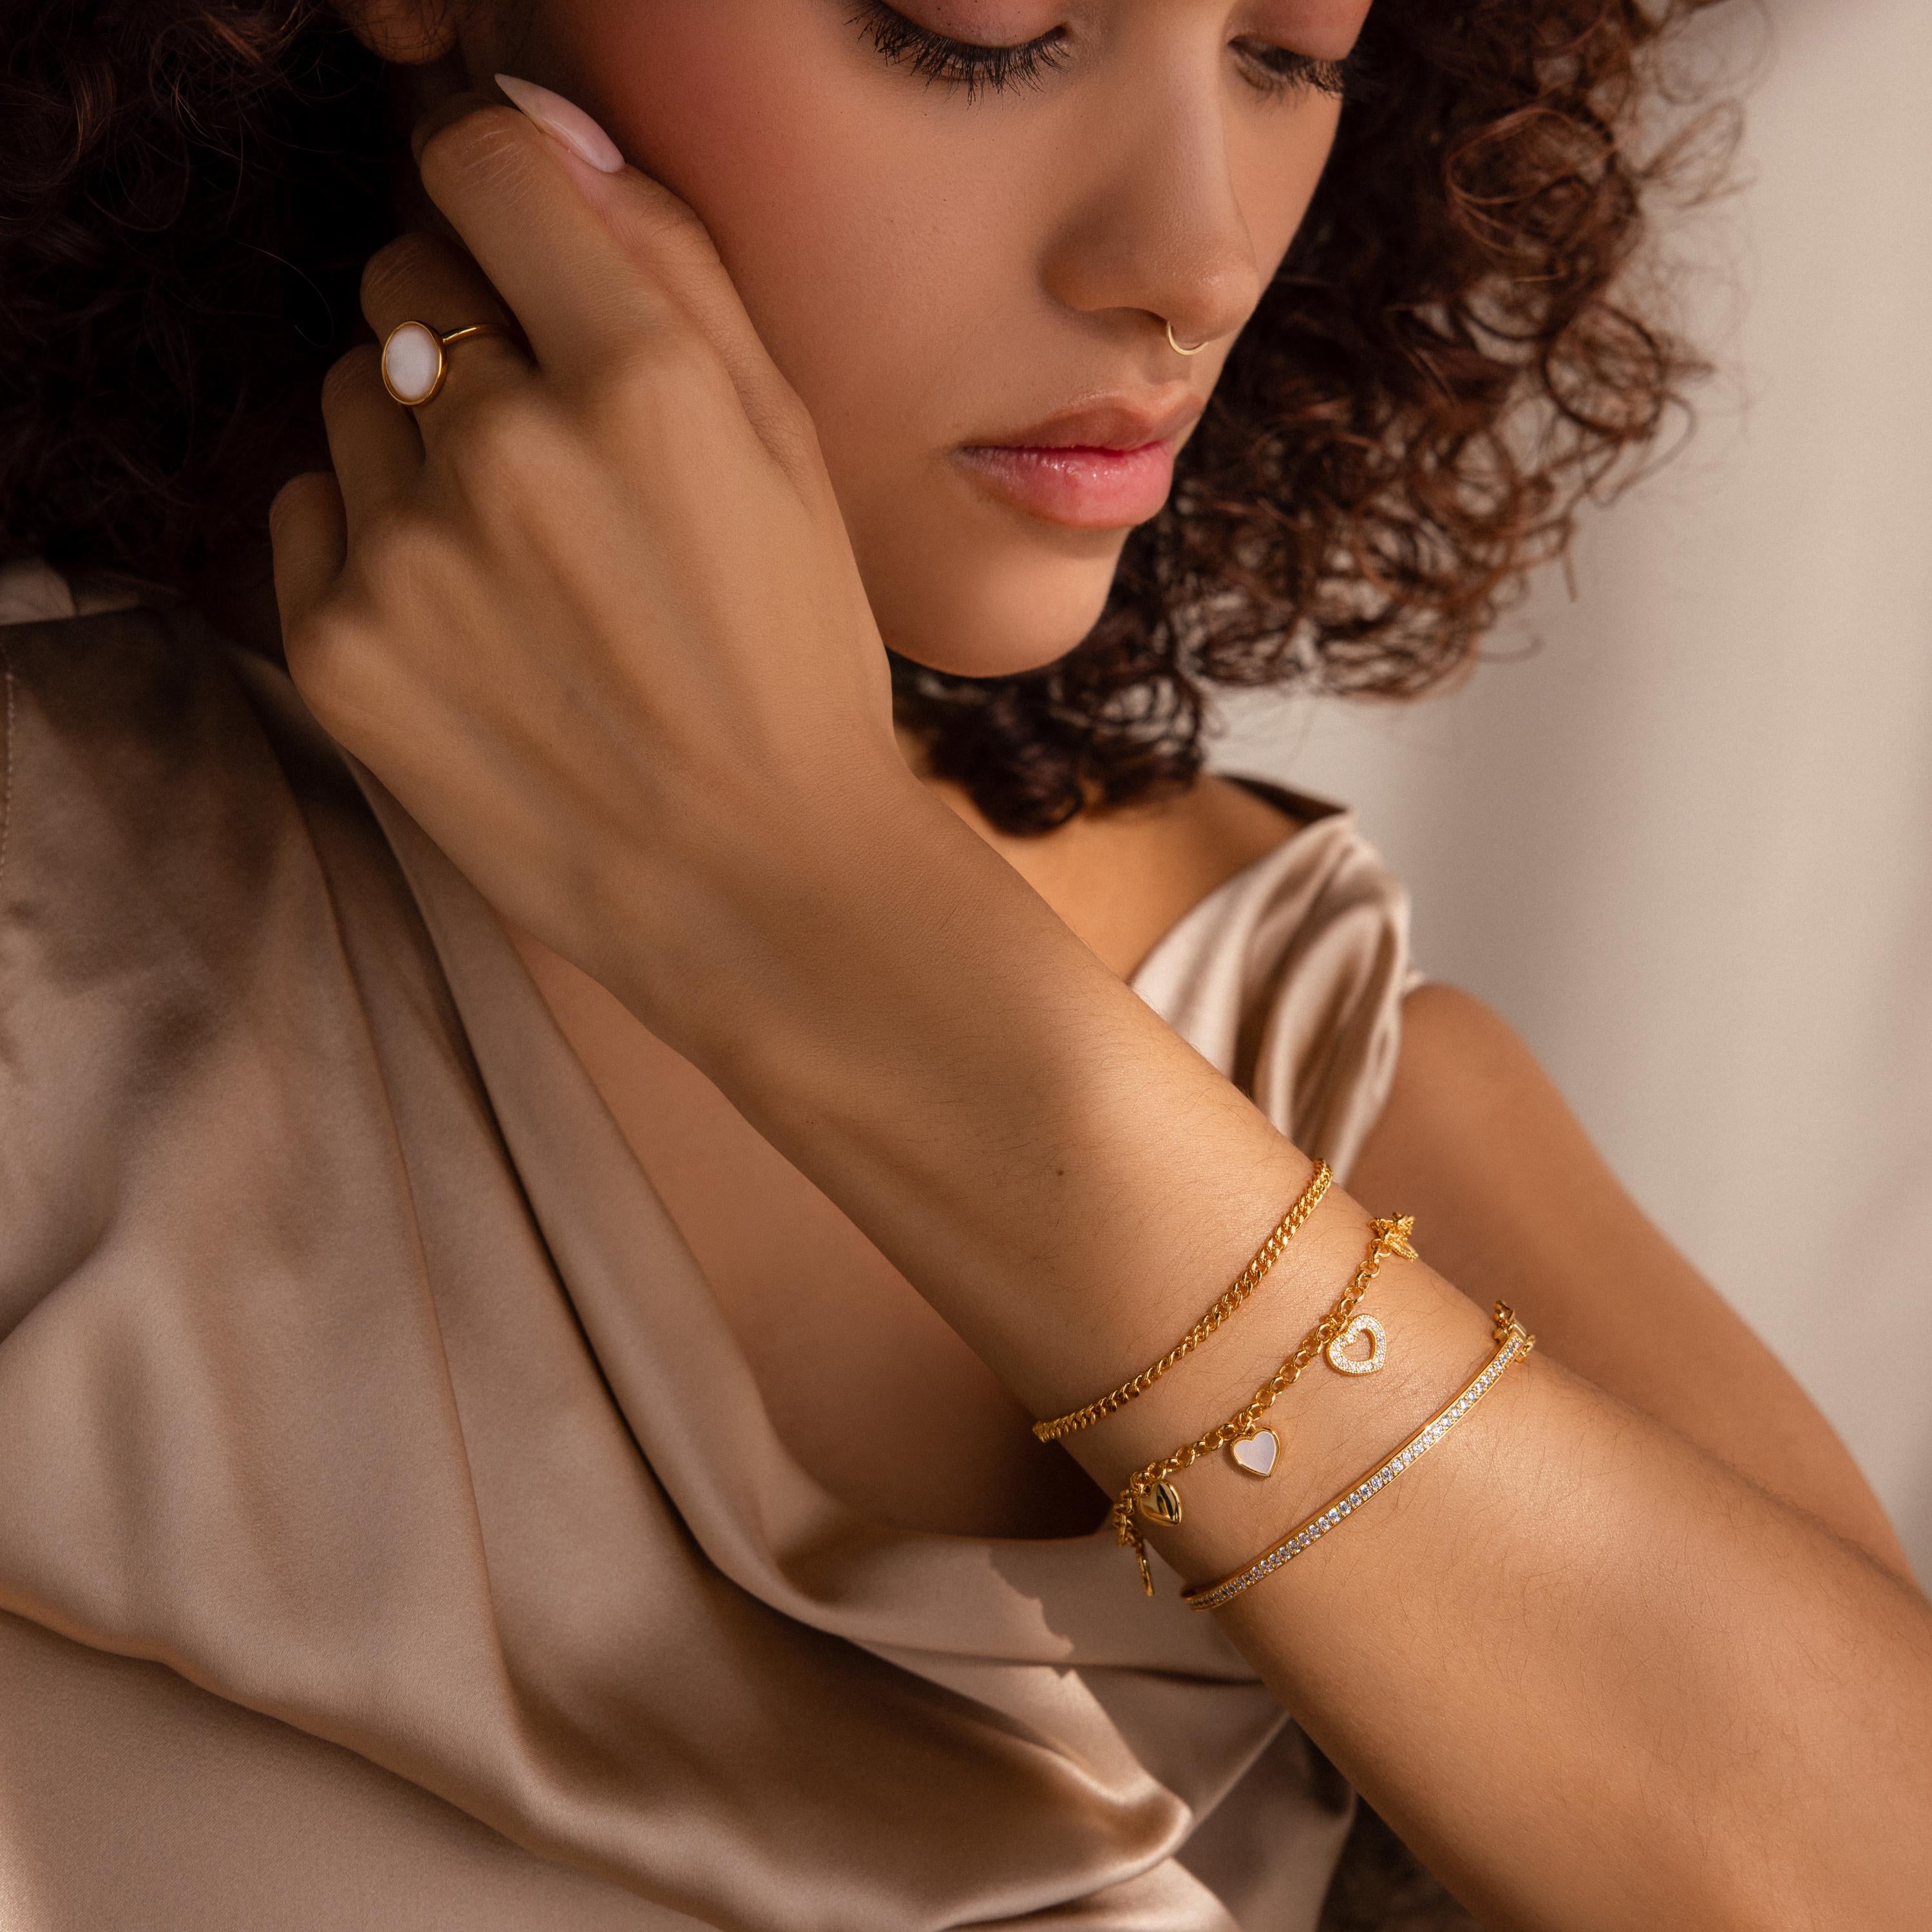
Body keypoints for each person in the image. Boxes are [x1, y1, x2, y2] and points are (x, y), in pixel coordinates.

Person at [1, 2, 1927, 1926]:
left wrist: (827, 920)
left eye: (1291, 52)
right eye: (979, 31)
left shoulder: (1308, 1041)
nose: (1191, 259)